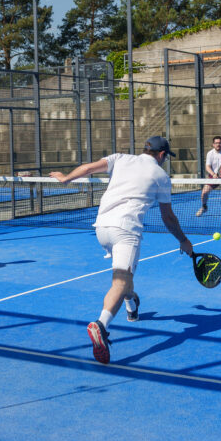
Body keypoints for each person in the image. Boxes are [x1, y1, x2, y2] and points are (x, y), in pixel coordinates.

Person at [50, 135, 194, 365]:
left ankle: (132, 306)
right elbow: (168, 217)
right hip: (126, 230)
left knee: (125, 280)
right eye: (166, 156)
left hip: (101, 228)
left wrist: (66, 178)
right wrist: (183, 240)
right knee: (120, 281)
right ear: (161, 155)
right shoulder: (161, 176)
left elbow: (88, 168)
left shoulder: (120, 158)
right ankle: (101, 325)